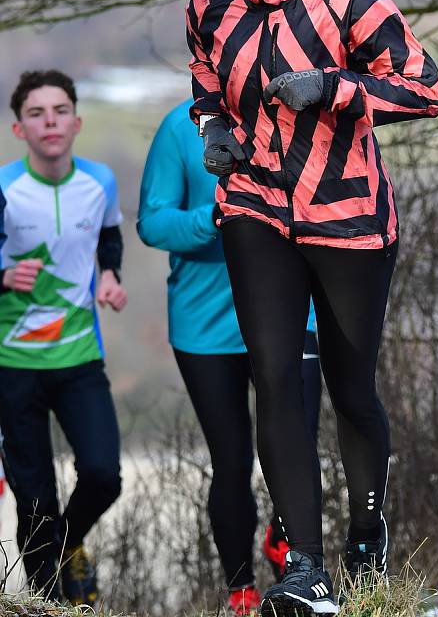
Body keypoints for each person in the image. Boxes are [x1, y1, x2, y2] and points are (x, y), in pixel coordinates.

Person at [186, 0, 438, 616]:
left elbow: (422, 89)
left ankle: (366, 538)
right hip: (255, 208)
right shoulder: (208, 1)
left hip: (349, 215)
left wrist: (332, 86)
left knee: (350, 387)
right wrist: (213, 130)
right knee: (273, 378)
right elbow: (205, 82)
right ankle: (306, 566)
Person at [137, 98, 322, 616]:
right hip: (207, 323)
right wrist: (219, 215)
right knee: (232, 460)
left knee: (300, 442)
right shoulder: (179, 127)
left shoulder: (297, 113)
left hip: (289, 309)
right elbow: (153, 223)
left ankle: (298, 566)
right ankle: (239, 589)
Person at [0, 70, 127, 606]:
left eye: (58, 112)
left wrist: (111, 274)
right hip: (14, 363)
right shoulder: (5, 187)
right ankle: (50, 600)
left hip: (78, 356)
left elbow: (110, 234)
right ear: (18, 129)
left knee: (103, 474)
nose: (49, 122)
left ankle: (70, 541)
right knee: (33, 503)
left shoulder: (99, 181)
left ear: (76, 122)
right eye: (36, 113)